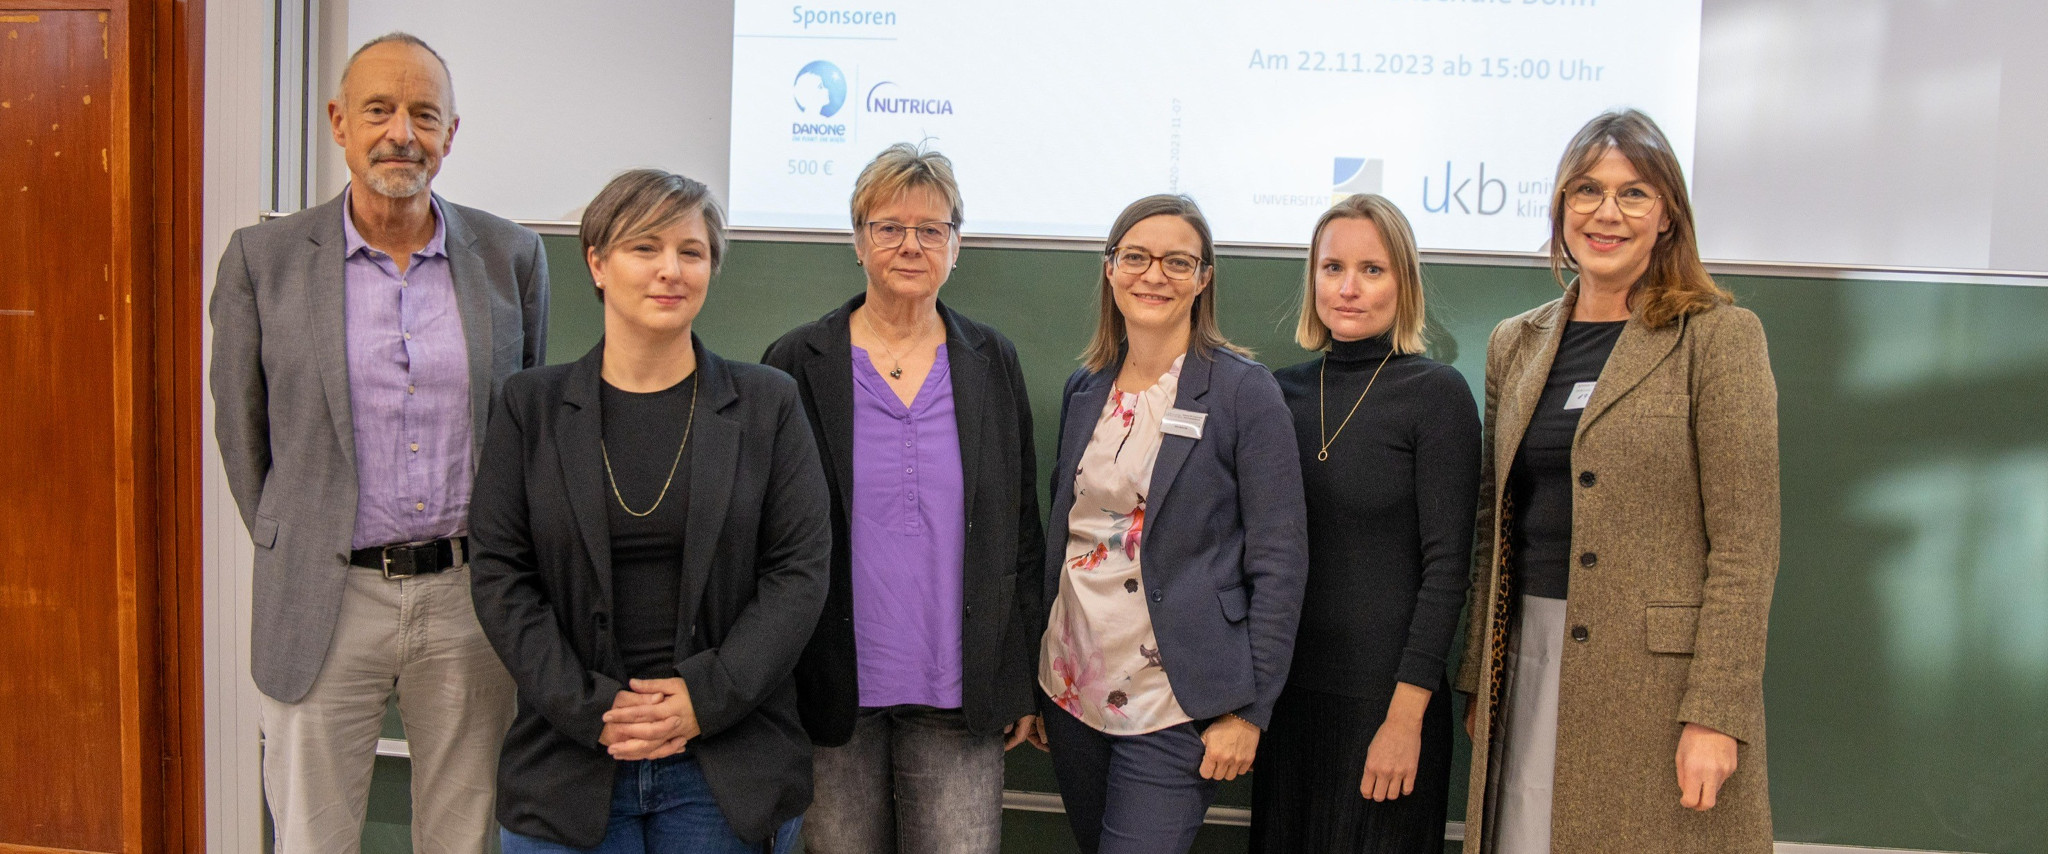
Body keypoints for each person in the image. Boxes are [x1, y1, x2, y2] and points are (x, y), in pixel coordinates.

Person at [209, 32, 546, 853]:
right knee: (313, 836)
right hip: (326, 596)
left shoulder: (511, 256)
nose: (402, 132)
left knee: (463, 836)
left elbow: (524, 421)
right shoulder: (265, 261)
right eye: (379, 110)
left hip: (470, 597)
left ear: (450, 134)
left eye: (424, 115)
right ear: (338, 123)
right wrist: (303, 533)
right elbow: (241, 431)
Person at [467, 169, 830, 852]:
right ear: (597, 263)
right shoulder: (530, 408)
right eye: (645, 248)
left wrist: (704, 699)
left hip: (726, 764)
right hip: (570, 763)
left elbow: (799, 574)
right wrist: (597, 710)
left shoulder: (767, 404)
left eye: (691, 252)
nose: (670, 270)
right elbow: (500, 576)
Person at [1454, 109, 1780, 853]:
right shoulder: (1517, 342)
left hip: (1659, 690)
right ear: (1561, 208)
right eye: (1587, 191)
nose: (1607, 213)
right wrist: (1481, 673)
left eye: (1634, 194)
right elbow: (1491, 526)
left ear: (1667, 217)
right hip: (1526, 663)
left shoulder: (1720, 337)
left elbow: (1746, 544)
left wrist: (1718, 712)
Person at [763, 143, 1044, 854]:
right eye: (889, 227)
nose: (910, 245)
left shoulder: (992, 360)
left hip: (958, 688)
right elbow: (766, 536)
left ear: (957, 245)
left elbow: (1020, 528)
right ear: (858, 241)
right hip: (832, 685)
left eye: (931, 229)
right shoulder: (796, 362)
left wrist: (1018, 676)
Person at [1035, 194, 1309, 854]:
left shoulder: (1244, 391)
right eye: (1136, 256)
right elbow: (1068, 531)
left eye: (1177, 261)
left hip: (1175, 703)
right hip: (1072, 687)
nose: (1153, 275)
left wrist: (1250, 711)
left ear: (1203, 278)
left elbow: (1280, 561)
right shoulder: (1087, 387)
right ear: (1110, 269)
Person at [1253, 195, 1479, 853]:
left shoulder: (1436, 395)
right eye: (1332, 268)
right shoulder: (1275, 393)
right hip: (1286, 706)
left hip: (1386, 706)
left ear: (1403, 282)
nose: (1349, 288)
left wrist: (1404, 721)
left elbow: (1447, 574)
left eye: (1372, 270)